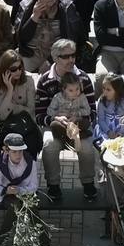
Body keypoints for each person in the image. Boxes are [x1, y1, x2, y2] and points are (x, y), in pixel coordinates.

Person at [44, 70, 98, 201]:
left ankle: (88, 183)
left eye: (77, 89)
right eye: (71, 90)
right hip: (62, 126)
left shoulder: (82, 97)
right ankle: (53, 185)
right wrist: (59, 117)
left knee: (87, 148)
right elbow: (49, 112)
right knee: (50, 143)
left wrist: (77, 115)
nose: (75, 93)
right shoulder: (57, 98)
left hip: (76, 126)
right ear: (63, 89)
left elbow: (88, 110)